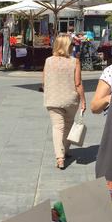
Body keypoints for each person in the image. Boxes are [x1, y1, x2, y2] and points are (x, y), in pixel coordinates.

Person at [43, 33, 86, 169]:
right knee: (68, 125)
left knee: (58, 127)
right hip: (70, 99)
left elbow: (44, 81)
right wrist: (83, 101)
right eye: (72, 44)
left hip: (52, 99)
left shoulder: (48, 61)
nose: (73, 46)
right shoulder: (74, 61)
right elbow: (78, 83)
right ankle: (65, 150)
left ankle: (60, 157)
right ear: (67, 46)